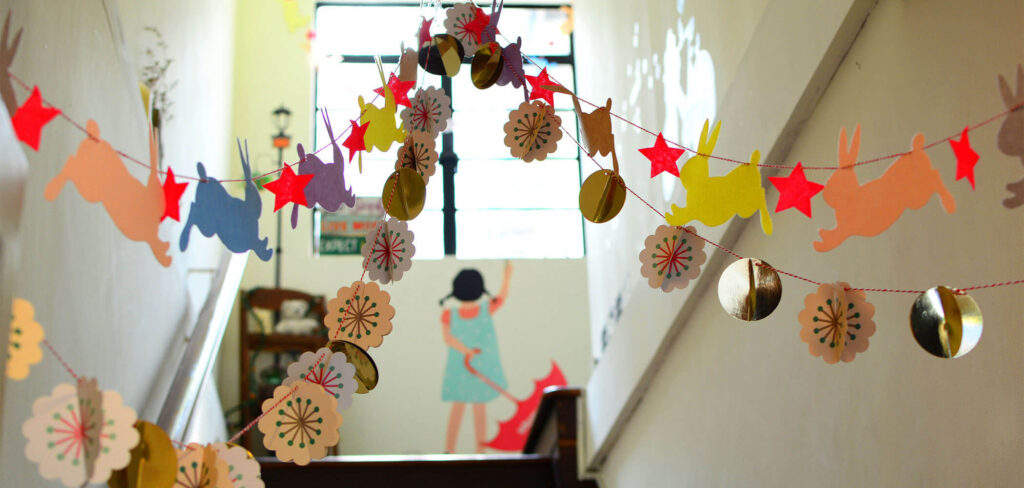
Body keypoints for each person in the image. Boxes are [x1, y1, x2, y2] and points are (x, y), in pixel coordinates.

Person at [439, 262, 512, 453]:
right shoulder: (449, 314)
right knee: (460, 406)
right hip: (461, 368)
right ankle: (450, 449)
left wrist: (507, 275)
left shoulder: (484, 310)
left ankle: (480, 450)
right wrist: (466, 351)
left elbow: (501, 297)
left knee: (476, 407)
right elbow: (448, 339)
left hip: (479, 368)